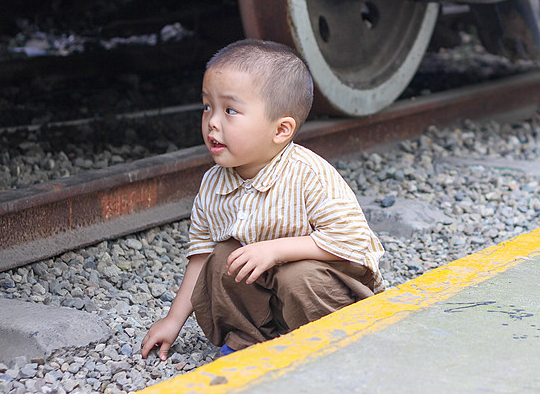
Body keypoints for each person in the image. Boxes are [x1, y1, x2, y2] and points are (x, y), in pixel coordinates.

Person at [140, 39, 385, 360]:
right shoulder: (214, 184)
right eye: (207, 107)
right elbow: (199, 258)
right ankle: (251, 338)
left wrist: (276, 250)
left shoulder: (308, 173)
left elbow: (349, 241)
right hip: (269, 289)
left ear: (281, 130)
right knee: (222, 257)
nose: (212, 121)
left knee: (297, 276)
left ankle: (330, 340)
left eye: (230, 110)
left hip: (328, 285)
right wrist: (173, 321)